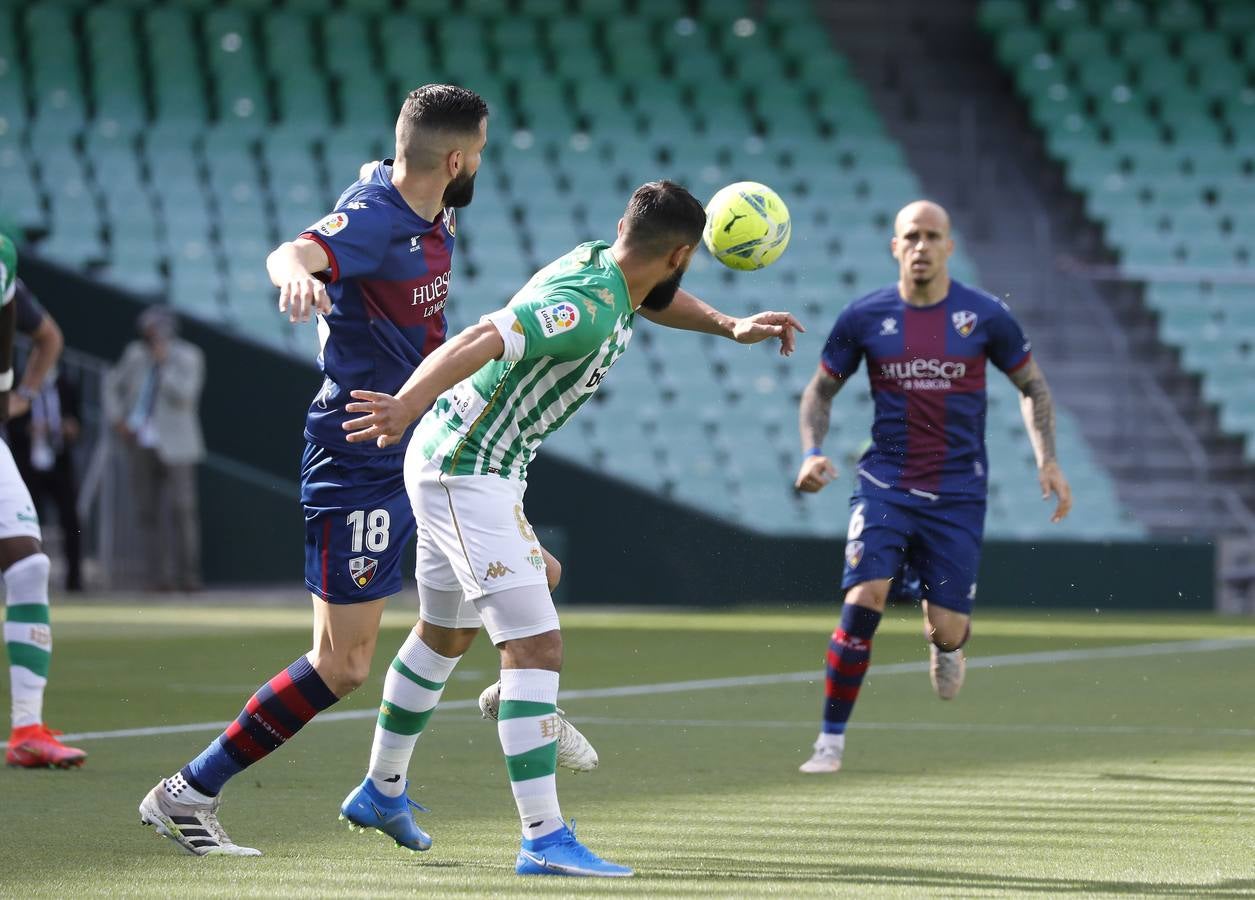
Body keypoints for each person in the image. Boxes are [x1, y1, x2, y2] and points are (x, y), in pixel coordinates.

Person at [136, 84, 602, 860]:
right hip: (358, 451)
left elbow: (388, 177)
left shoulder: (430, 206)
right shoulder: (376, 216)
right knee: (343, 662)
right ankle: (189, 791)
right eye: (478, 152)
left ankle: (481, 723)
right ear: (454, 159)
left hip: (420, 447)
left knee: (533, 573)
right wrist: (296, 274)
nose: (480, 163)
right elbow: (300, 248)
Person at [337, 180, 801, 877]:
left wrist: (730, 326)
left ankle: (381, 789)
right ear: (683, 251)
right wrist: (402, 405)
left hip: (468, 461)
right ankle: (543, 837)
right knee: (536, 646)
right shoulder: (584, 307)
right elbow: (481, 335)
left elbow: (659, 299)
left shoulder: (607, 267)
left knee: (450, 631)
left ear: (625, 225)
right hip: (465, 467)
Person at [793, 200, 1072, 774]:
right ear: (895, 247)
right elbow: (820, 391)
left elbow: (1033, 388)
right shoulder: (864, 316)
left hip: (957, 496)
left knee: (945, 629)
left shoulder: (985, 317)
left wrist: (1048, 459)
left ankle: (947, 647)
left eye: (932, 236)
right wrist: (813, 453)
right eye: (911, 236)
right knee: (864, 596)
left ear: (950, 246)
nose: (921, 246)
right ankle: (830, 742)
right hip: (885, 484)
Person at [0, 234, 85, 768]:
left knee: (29, 566)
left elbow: (48, 336)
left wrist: (22, 396)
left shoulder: (3, 255)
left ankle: (26, 728)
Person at [105, 306, 205, 592]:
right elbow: (112, 385)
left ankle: (188, 577)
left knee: (182, 511)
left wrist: (164, 366)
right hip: (140, 441)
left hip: (178, 445)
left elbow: (186, 397)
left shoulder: (189, 356)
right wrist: (117, 419)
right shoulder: (135, 355)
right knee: (147, 512)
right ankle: (157, 578)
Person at [8, 290, 83, 593]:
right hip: (27, 461)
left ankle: (75, 584)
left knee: (35, 560)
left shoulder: (65, 385)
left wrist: (24, 398)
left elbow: (50, 336)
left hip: (56, 460)